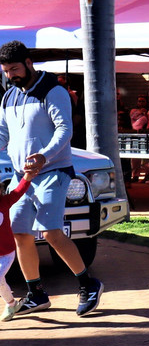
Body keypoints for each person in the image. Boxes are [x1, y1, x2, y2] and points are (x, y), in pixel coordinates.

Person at [0, 40, 104, 317]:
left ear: (29, 62)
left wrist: (44, 156)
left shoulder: (53, 91)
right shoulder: (9, 97)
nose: (11, 75)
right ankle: (36, 294)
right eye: (6, 70)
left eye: (14, 68)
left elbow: (64, 130)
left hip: (53, 172)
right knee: (20, 233)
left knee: (50, 232)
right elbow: (3, 135)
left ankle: (88, 284)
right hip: (21, 178)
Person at [0, 165, 37, 321]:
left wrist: (27, 177)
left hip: (7, 253)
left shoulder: (4, 202)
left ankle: (11, 304)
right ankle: (11, 303)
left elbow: (18, 191)